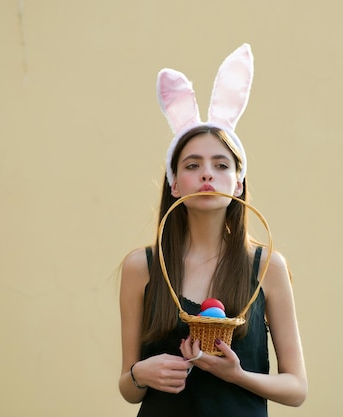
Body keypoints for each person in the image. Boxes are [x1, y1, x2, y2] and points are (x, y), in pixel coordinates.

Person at [118, 44, 308, 417]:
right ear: (175, 184)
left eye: (221, 165)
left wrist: (237, 375)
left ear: (238, 184)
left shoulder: (268, 267)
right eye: (192, 164)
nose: (207, 174)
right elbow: (128, 387)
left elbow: (296, 388)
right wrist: (141, 372)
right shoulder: (141, 267)